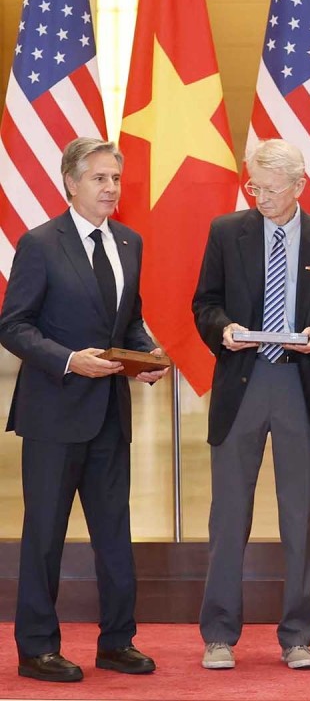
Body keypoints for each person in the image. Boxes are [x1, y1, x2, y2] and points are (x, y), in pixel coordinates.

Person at [0, 138, 169, 683]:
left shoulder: (130, 241)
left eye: (115, 179)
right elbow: (14, 325)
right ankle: (37, 648)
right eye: (99, 178)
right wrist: (70, 360)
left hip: (110, 415)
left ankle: (117, 642)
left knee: (115, 534)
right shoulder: (40, 244)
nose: (111, 188)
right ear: (71, 183)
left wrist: (145, 357)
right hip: (52, 414)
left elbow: (129, 320)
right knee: (45, 534)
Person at [191, 139, 310, 671]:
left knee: (301, 518)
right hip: (242, 383)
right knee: (229, 515)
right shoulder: (226, 232)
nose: (258, 196)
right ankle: (219, 634)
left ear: (299, 187)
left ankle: (297, 636)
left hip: (300, 387)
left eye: (269, 188)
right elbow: (204, 304)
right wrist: (225, 330)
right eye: (253, 186)